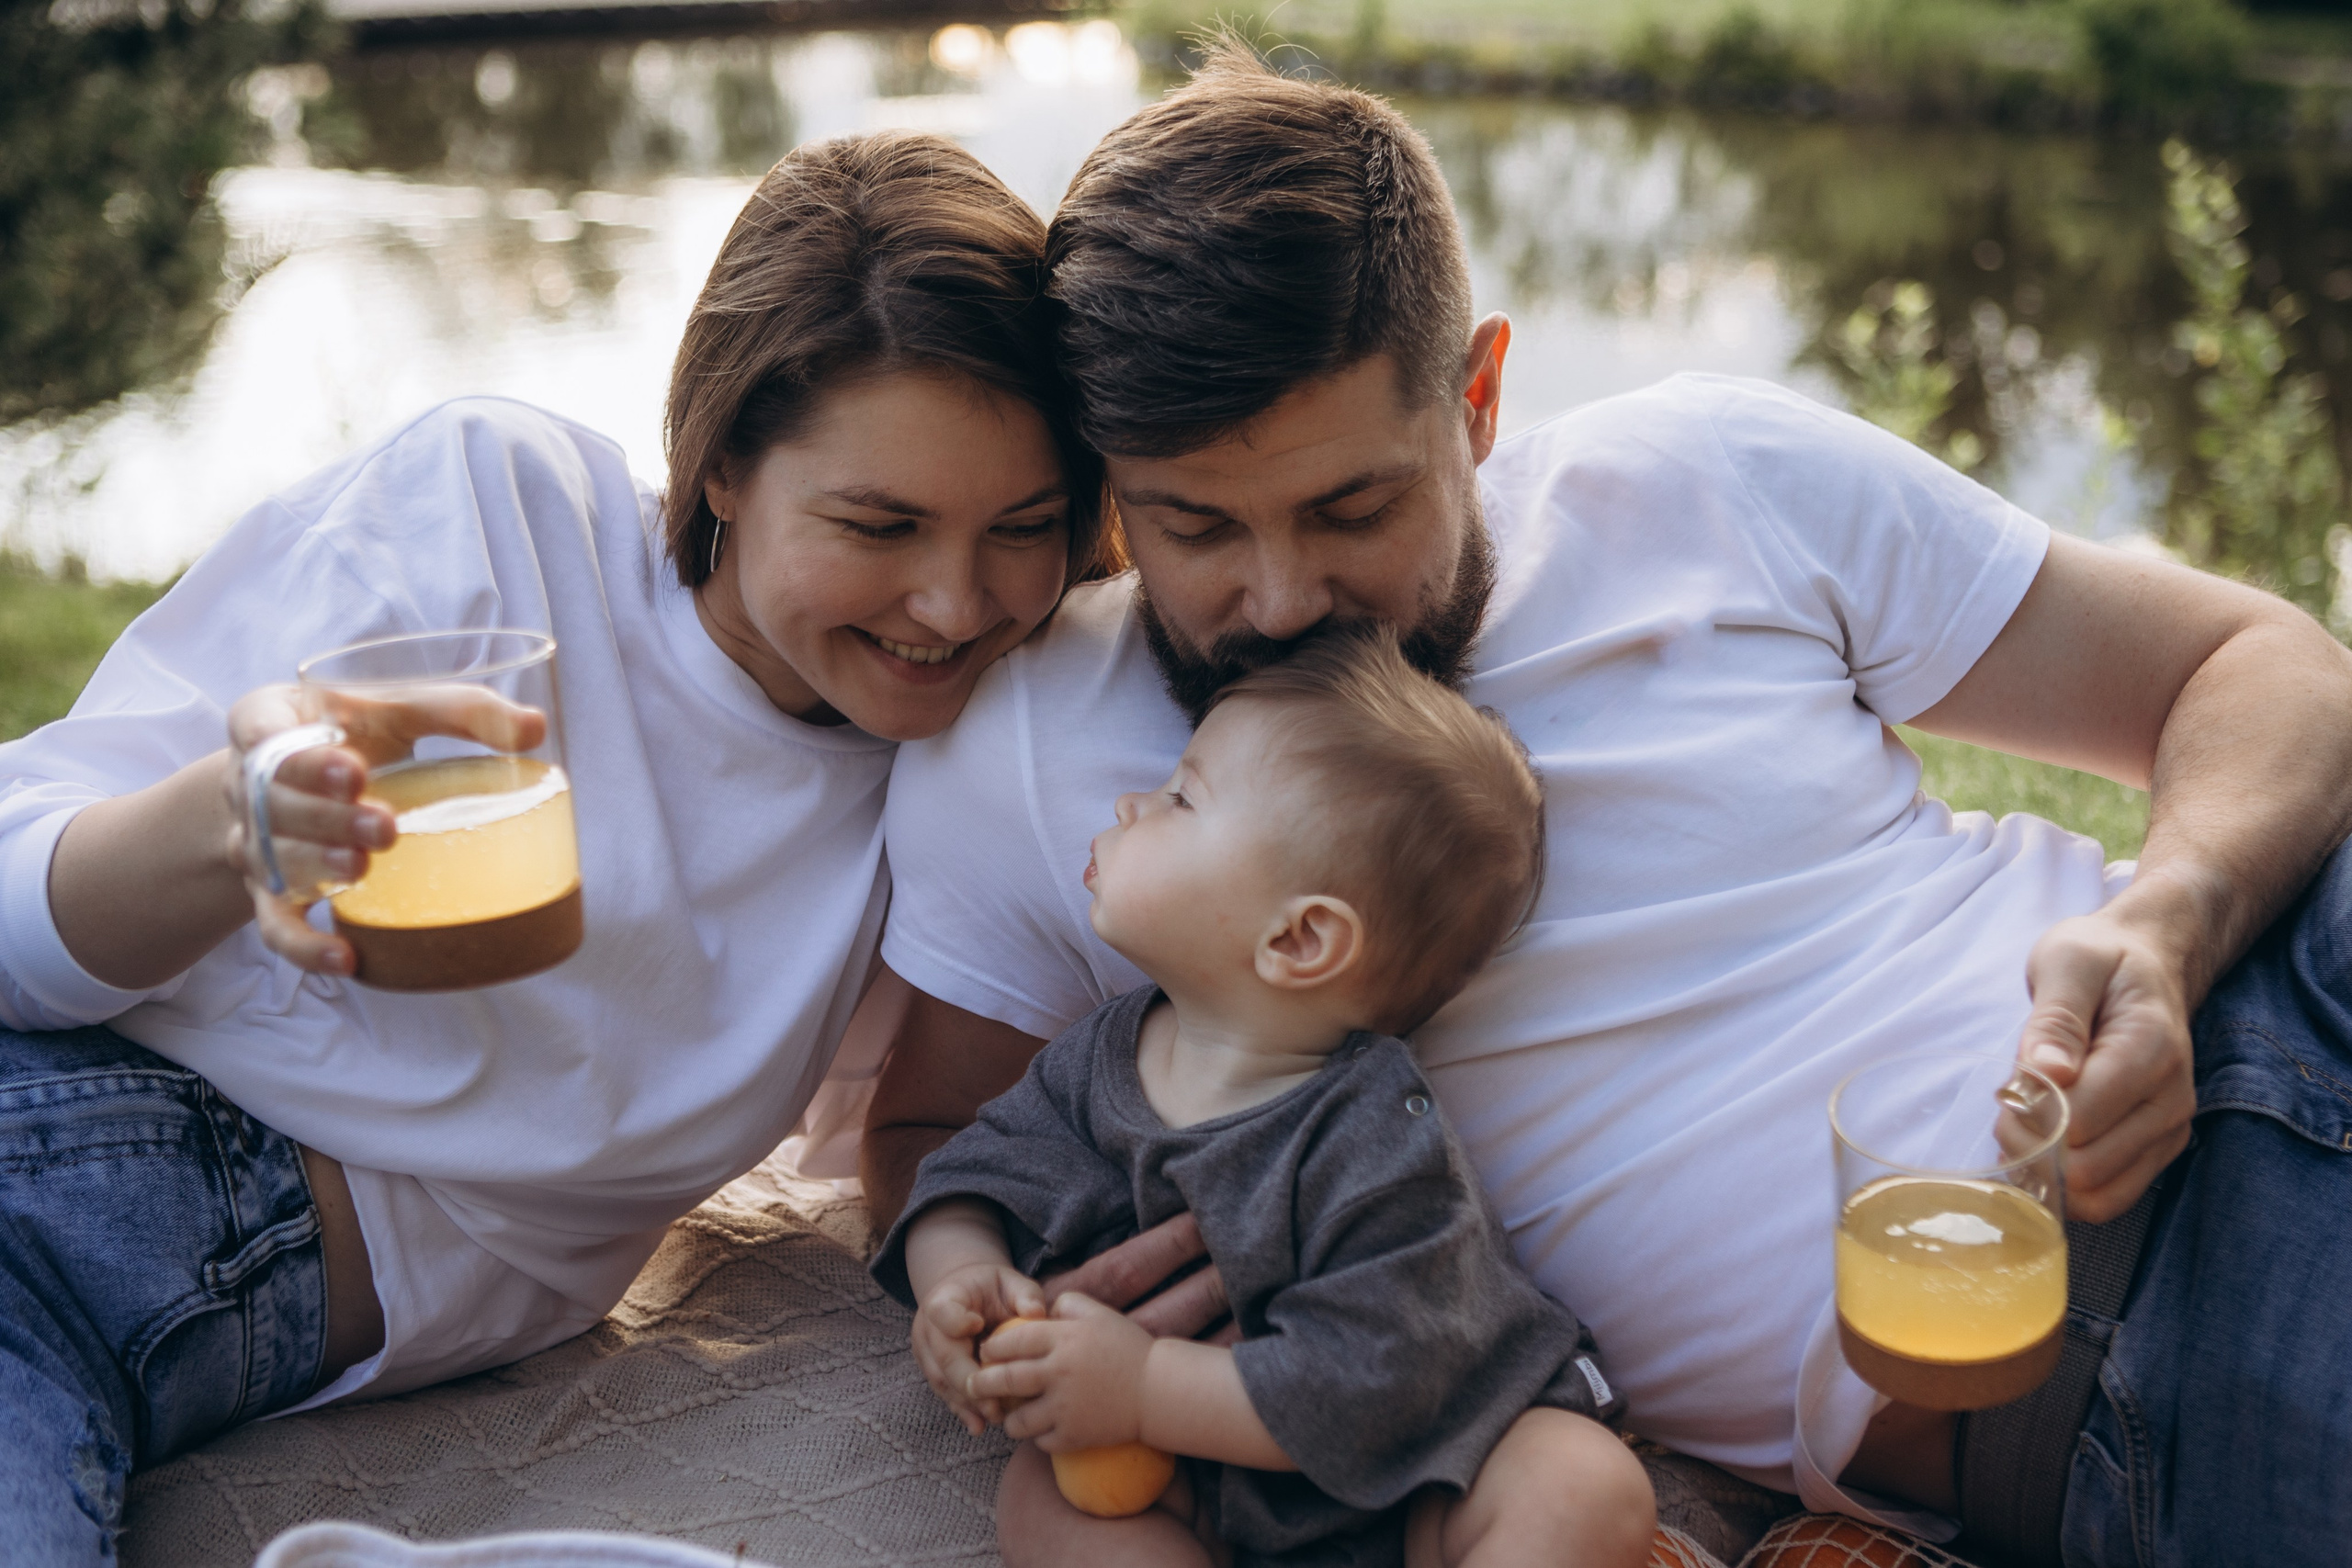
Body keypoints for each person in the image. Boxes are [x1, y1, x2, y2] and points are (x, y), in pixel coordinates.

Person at [861, 46, 2352, 1568]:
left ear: (1478, 396)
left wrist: (2171, 922)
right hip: (2134, 1331)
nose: (1284, 596)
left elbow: (2262, 663)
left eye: (1354, 506)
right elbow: (927, 1131)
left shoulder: (1701, 477)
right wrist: (1053, 1305)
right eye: (1194, 526)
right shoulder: (1044, 754)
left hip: (2277, 982)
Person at [0, 131, 1110, 1562]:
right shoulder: (503, 519)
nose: (953, 602)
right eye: (880, 523)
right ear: (723, 466)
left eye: (1022, 526)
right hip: (79, 1150)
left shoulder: (983, 768)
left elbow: (952, 1125)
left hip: (201, 1308)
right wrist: (232, 818)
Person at [878, 625, 1653, 1568]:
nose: (1129, 803)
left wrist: (1146, 1385)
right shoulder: (1099, 1058)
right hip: (1204, 1488)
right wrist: (958, 1279)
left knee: (1582, 1483)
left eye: (1180, 798)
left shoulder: (1375, 1132)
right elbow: (975, 1175)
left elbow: (1384, 1376)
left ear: (1297, 940)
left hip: (1425, 1477)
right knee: (1046, 1502)